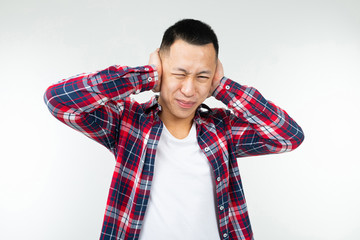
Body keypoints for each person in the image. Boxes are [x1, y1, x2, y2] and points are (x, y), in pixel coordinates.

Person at [44, 19, 304, 240]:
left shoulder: (223, 129)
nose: (189, 90)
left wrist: (223, 86)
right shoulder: (127, 122)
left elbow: (289, 136)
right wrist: (146, 75)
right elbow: (59, 100)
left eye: (202, 77)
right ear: (161, 69)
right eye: (179, 74)